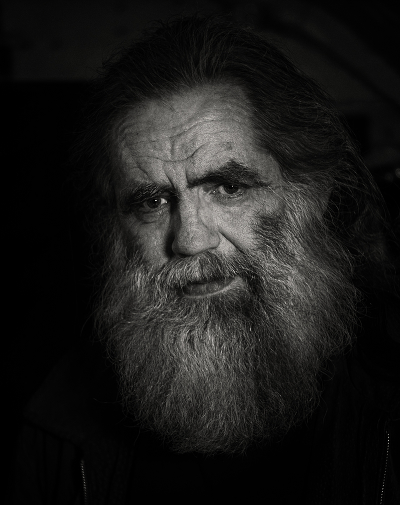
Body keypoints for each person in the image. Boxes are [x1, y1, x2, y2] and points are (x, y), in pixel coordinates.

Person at [13, 14, 399, 504]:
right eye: (153, 202)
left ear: (312, 195)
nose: (191, 239)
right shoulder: (56, 426)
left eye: (228, 187)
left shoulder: (387, 404)